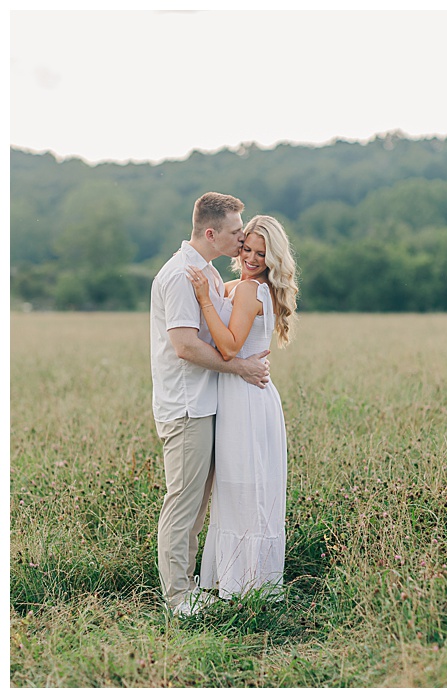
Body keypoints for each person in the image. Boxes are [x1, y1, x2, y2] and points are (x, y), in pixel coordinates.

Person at [149, 192, 270, 616]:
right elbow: (184, 347)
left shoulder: (210, 275)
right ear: (212, 232)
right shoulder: (182, 275)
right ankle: (177, 598)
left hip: (207, 402)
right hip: (185, 406)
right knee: (183, 501)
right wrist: (240, 368)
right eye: (237, 232)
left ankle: (189, 586)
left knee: (198, 502)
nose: (242, 239)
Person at [186, 215, 299, 600]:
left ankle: (245, 586)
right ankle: (243, 581)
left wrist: (202, 299)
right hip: (244, 394)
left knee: (242, 489)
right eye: (247, 248)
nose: (250, 257)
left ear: (273, 258)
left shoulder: (251, 290)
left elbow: (231, 347)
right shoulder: (242, 287)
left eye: (260, 253)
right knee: (239, 490)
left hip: (246, 398)